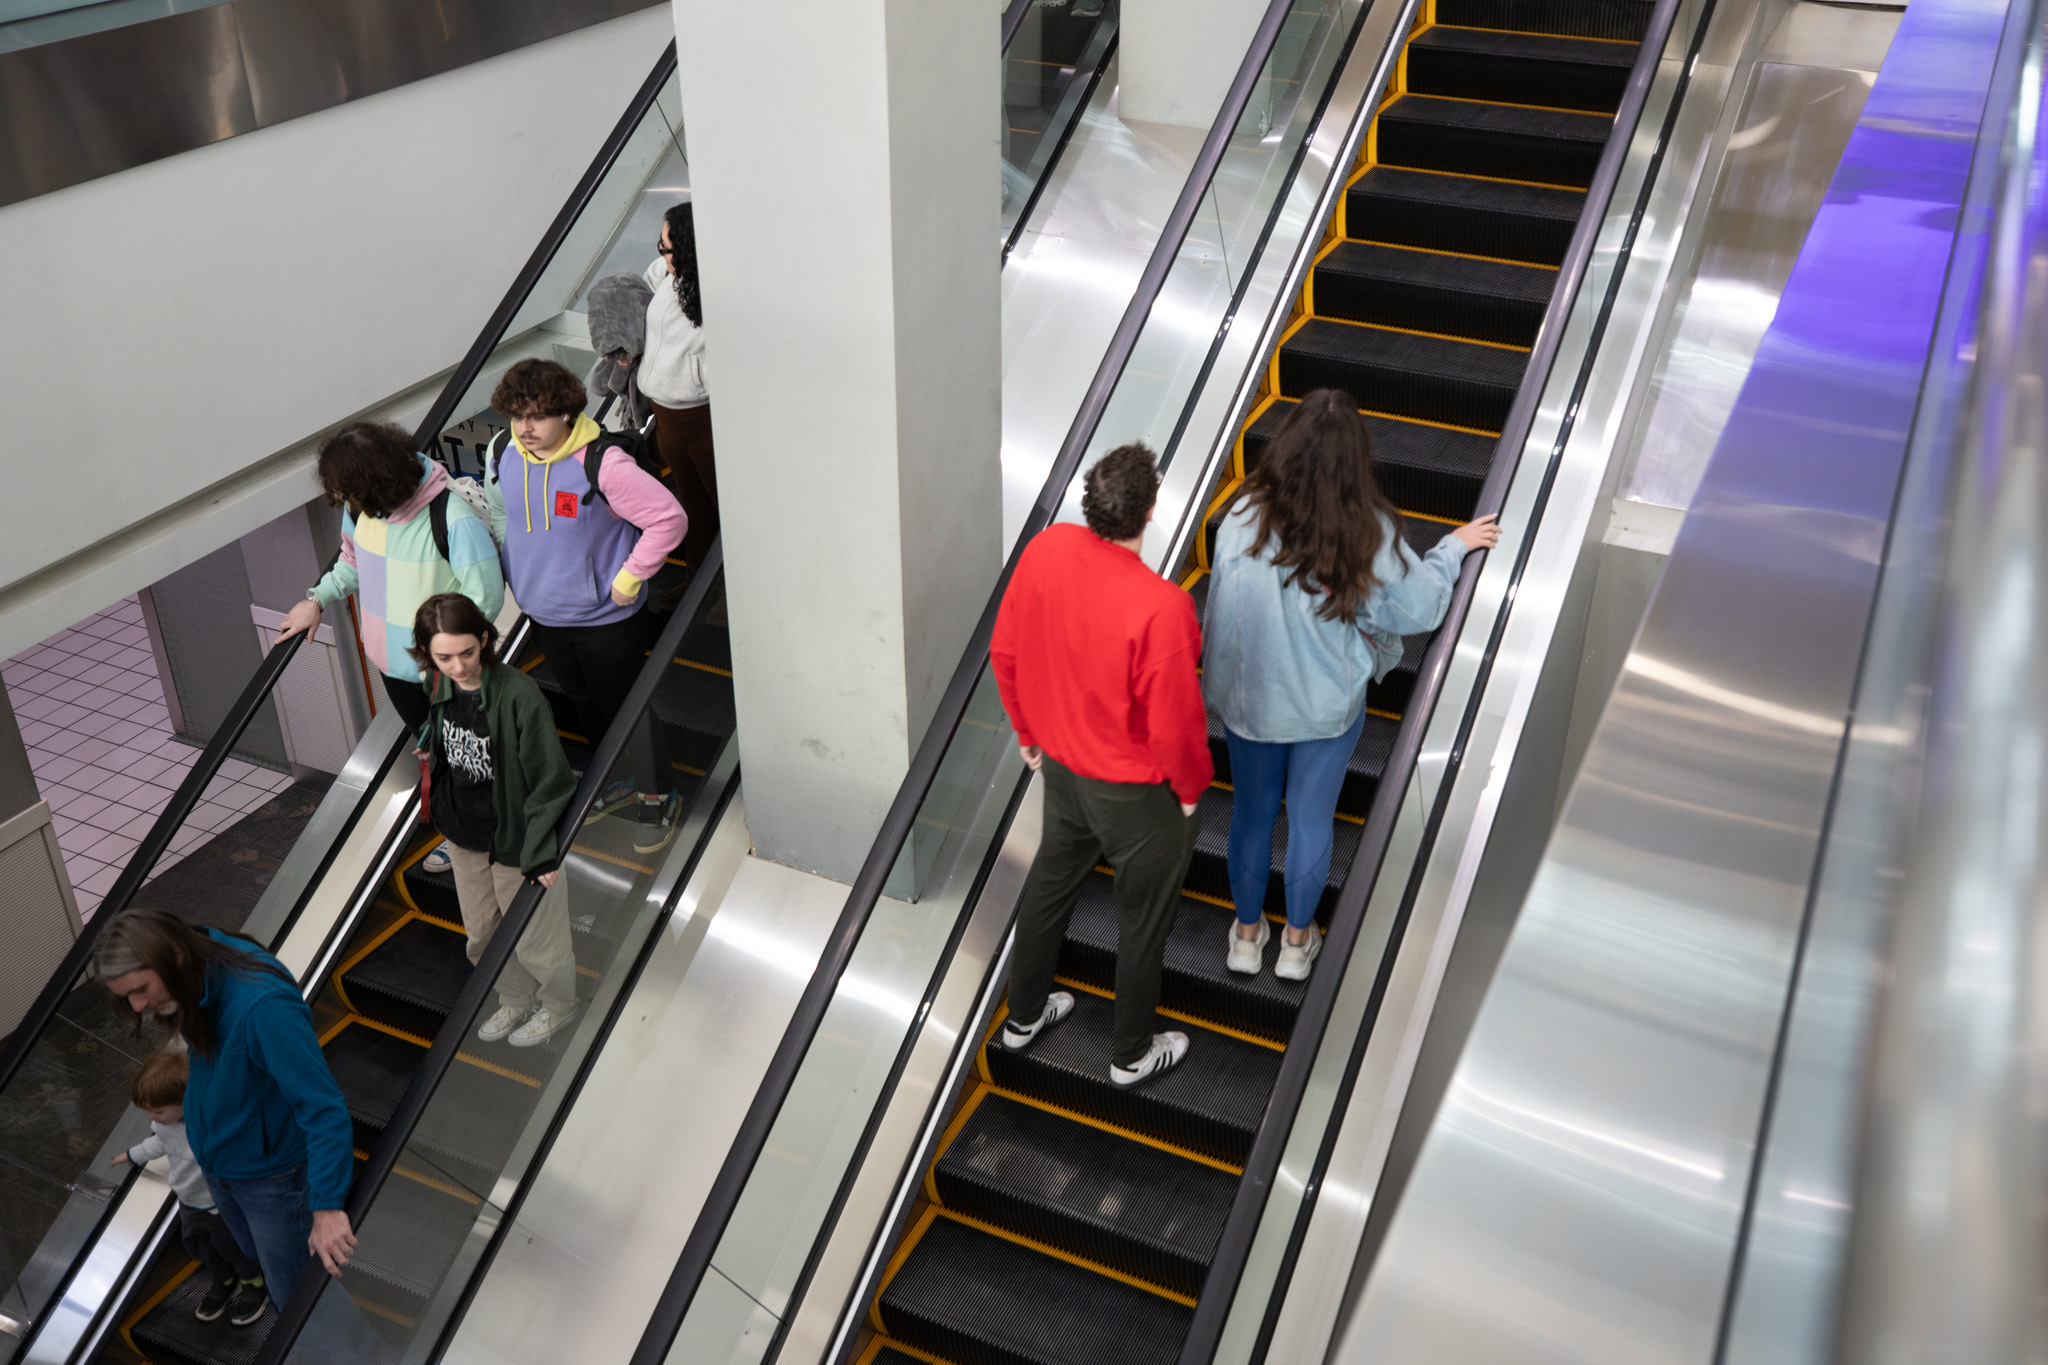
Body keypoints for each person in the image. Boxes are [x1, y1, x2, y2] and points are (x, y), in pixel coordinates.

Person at [1202, 389, 1500, 980]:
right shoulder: (1369, 529)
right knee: (1311, 820)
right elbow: (1419, 610)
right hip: (1324, 710)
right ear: (1355, 460)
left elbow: (1224, 608)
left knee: (1251, 816)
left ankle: (1244, 936)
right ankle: (1295, 942)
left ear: (1285, 449)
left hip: (1250, 704)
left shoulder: (1240, 517)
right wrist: (1449, 550)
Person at [989, 443, 1212, 1088]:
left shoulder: (1049, 547)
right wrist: (1191, 790)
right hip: (1134, 797)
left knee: (1049, 887)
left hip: (1060, 768)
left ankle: (1025, 1016)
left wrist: (1028, 733)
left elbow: (1006, 650)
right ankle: (1130, 1053)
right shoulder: (1161, 606)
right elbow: (1176, 727)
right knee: (1142, 919)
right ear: (1150, 511)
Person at [92, 911, 375, 1361]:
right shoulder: (197, 972)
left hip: (274, 1181)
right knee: (281, 1277)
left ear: (175, 957)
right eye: (126, 998)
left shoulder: (262, 1007)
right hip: (226, 1169)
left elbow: (323, 1108)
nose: (137, 1008)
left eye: (140, 990)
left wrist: (326, 1207)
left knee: (300, 1298)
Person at [281, 422, 505, 877]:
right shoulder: (363, 510)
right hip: (395, 671)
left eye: (356, 494)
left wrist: (451, 663)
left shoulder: (452, 518)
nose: (351, 504)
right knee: (439, 754)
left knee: (474, 755)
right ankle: (461, 831)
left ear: (383, 483)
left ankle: (499, 835)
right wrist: (315, 599)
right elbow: (352, 562)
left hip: (449, 677)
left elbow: (486, 598)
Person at [485, 358, 687, 855]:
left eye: (537, 416)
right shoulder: (505, 451)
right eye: (517, 415)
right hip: (545, 613)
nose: (525, 427)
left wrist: (628, 578)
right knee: (583, 703)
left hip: (605, 619)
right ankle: (616, 781)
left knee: (626, 708)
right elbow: (504, 513)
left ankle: (659, 796)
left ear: (567, 414)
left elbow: (669, 518)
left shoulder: (602, 464)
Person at [411, 592, 581, 1048]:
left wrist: (541, 852)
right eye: (443, 656)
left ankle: (561, 1006)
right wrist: (434, 746)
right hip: (465, 834)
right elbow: (446, 730)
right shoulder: (441, 683)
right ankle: (514, 997)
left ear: (484, 639)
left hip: (516, 839)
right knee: (482, 934)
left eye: (467, 652)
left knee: (535, 940)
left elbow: (553, 779)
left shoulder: (519, 695)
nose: (458, 666)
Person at [113, 1050, 268, 1327]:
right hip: (187, 1200)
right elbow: (158, 1143)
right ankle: (224, 1280)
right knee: (197, 1245)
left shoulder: (209, 1125)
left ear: (185, 1100)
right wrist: (132, 1155)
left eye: (158, 1111)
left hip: (218, 1205)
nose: (151, 1118)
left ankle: (254, 1283)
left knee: (232, 1246)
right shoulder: (167, 1127)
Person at [641, 202, 717, 577]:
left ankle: (723, 598)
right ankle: (696, 590)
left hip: (701, 421)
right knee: (692, 508)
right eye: (660, 245)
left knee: (722, 512)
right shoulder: (670, 276)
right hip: (666, 417)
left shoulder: (717, 294)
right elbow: (646, 279)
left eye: (667, 248)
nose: (661, 254)